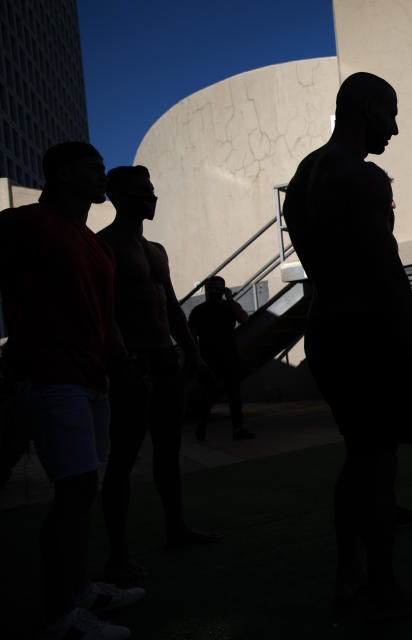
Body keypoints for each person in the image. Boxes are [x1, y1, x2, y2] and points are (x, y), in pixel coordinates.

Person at [282, 72, 412, 620]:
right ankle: (383, 586)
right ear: (368, 108)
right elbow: (386, 273)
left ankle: (349, 576)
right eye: (390, 113)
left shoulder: (304, 176)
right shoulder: (362, 177)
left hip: (326, 328)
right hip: (366, 335)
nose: (394, 128)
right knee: (378, 467)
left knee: (359, 459)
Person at [0, 143, 143, 639]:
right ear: (63, 174)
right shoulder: (24, 224)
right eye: (94, 168)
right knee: (74, 489)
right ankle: (61, 616)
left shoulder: (95, 244)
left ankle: (80, 590)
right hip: (50, 377)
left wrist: (119, 367)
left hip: (92, 380)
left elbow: (105, 319)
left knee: (83, 488)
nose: (102, 177)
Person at [97, 165, 222, 583]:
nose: (152, 197)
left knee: (168, 452)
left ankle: (176, 529)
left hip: (166, 362)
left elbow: (171, 307)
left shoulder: (157, 250)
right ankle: (118, 553)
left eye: (152, 189)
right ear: (119, 196)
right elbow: (103, 313)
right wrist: (121, 364)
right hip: (134, 366)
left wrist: (193, 354)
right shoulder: (104, 247)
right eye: (143, 191)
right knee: (124, 457)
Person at [188, 275, 254, 441]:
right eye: (210, 289)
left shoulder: (228, 307)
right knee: (207, 395)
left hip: (228, 357)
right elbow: (192, 337)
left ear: (223, 290)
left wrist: (230, 299)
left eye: (216, 288)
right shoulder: (198, 311)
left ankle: (236, 429)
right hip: (209, 359)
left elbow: (244, 319)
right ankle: (203, 426)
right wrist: (196, 358)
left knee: (232, 394)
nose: (212, 292)